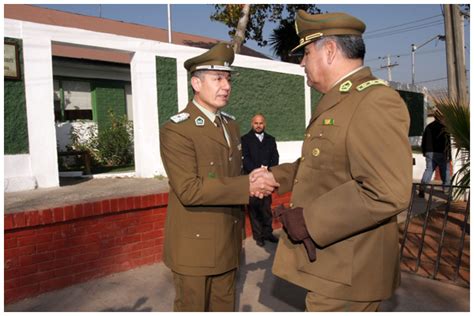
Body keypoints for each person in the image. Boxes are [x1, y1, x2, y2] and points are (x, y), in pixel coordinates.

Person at [252, 10, 413, 311]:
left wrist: (310, 220)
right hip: (334, 268)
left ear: (329, 50)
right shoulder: (343, 99)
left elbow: (387, 190)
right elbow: (322, 163)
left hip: (351, 274)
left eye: (306, 53)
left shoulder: (373, 101)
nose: (301, 62)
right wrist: (276, 176)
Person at [159, 42, 279, 312]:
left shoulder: (231, 124)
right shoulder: (176, 129)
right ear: (196, 83)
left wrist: (256, 181)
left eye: (228, 79)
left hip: (228, 240)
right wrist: (247, 184)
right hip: (196, 246)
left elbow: (232, 176)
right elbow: (189, 189)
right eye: (217, 78)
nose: (226, 85)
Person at [242, 114, 280, 247]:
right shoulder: (245, 140)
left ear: (265, 124)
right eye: (256, 123)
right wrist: (257, 173)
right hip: (252, 179)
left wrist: (269, 171)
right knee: (254, 209)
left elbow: (275, 156)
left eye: (261, 123)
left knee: (266, 207)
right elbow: (245, 158)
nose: (258, 125)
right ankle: (258, 236)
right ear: (252, 124)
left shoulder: (271, 139)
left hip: (267, 178)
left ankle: (268, 233)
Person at [418, 112, 452, 197]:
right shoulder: (445, 128)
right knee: (445, 171)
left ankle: (422, 188)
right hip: (441, 153)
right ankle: (447, 190)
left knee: (429, 170)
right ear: (441, 118)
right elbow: (448, 143)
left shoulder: (429, 127)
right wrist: (449, 156)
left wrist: (424, 151)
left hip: (429, 152)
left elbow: (424, 140)